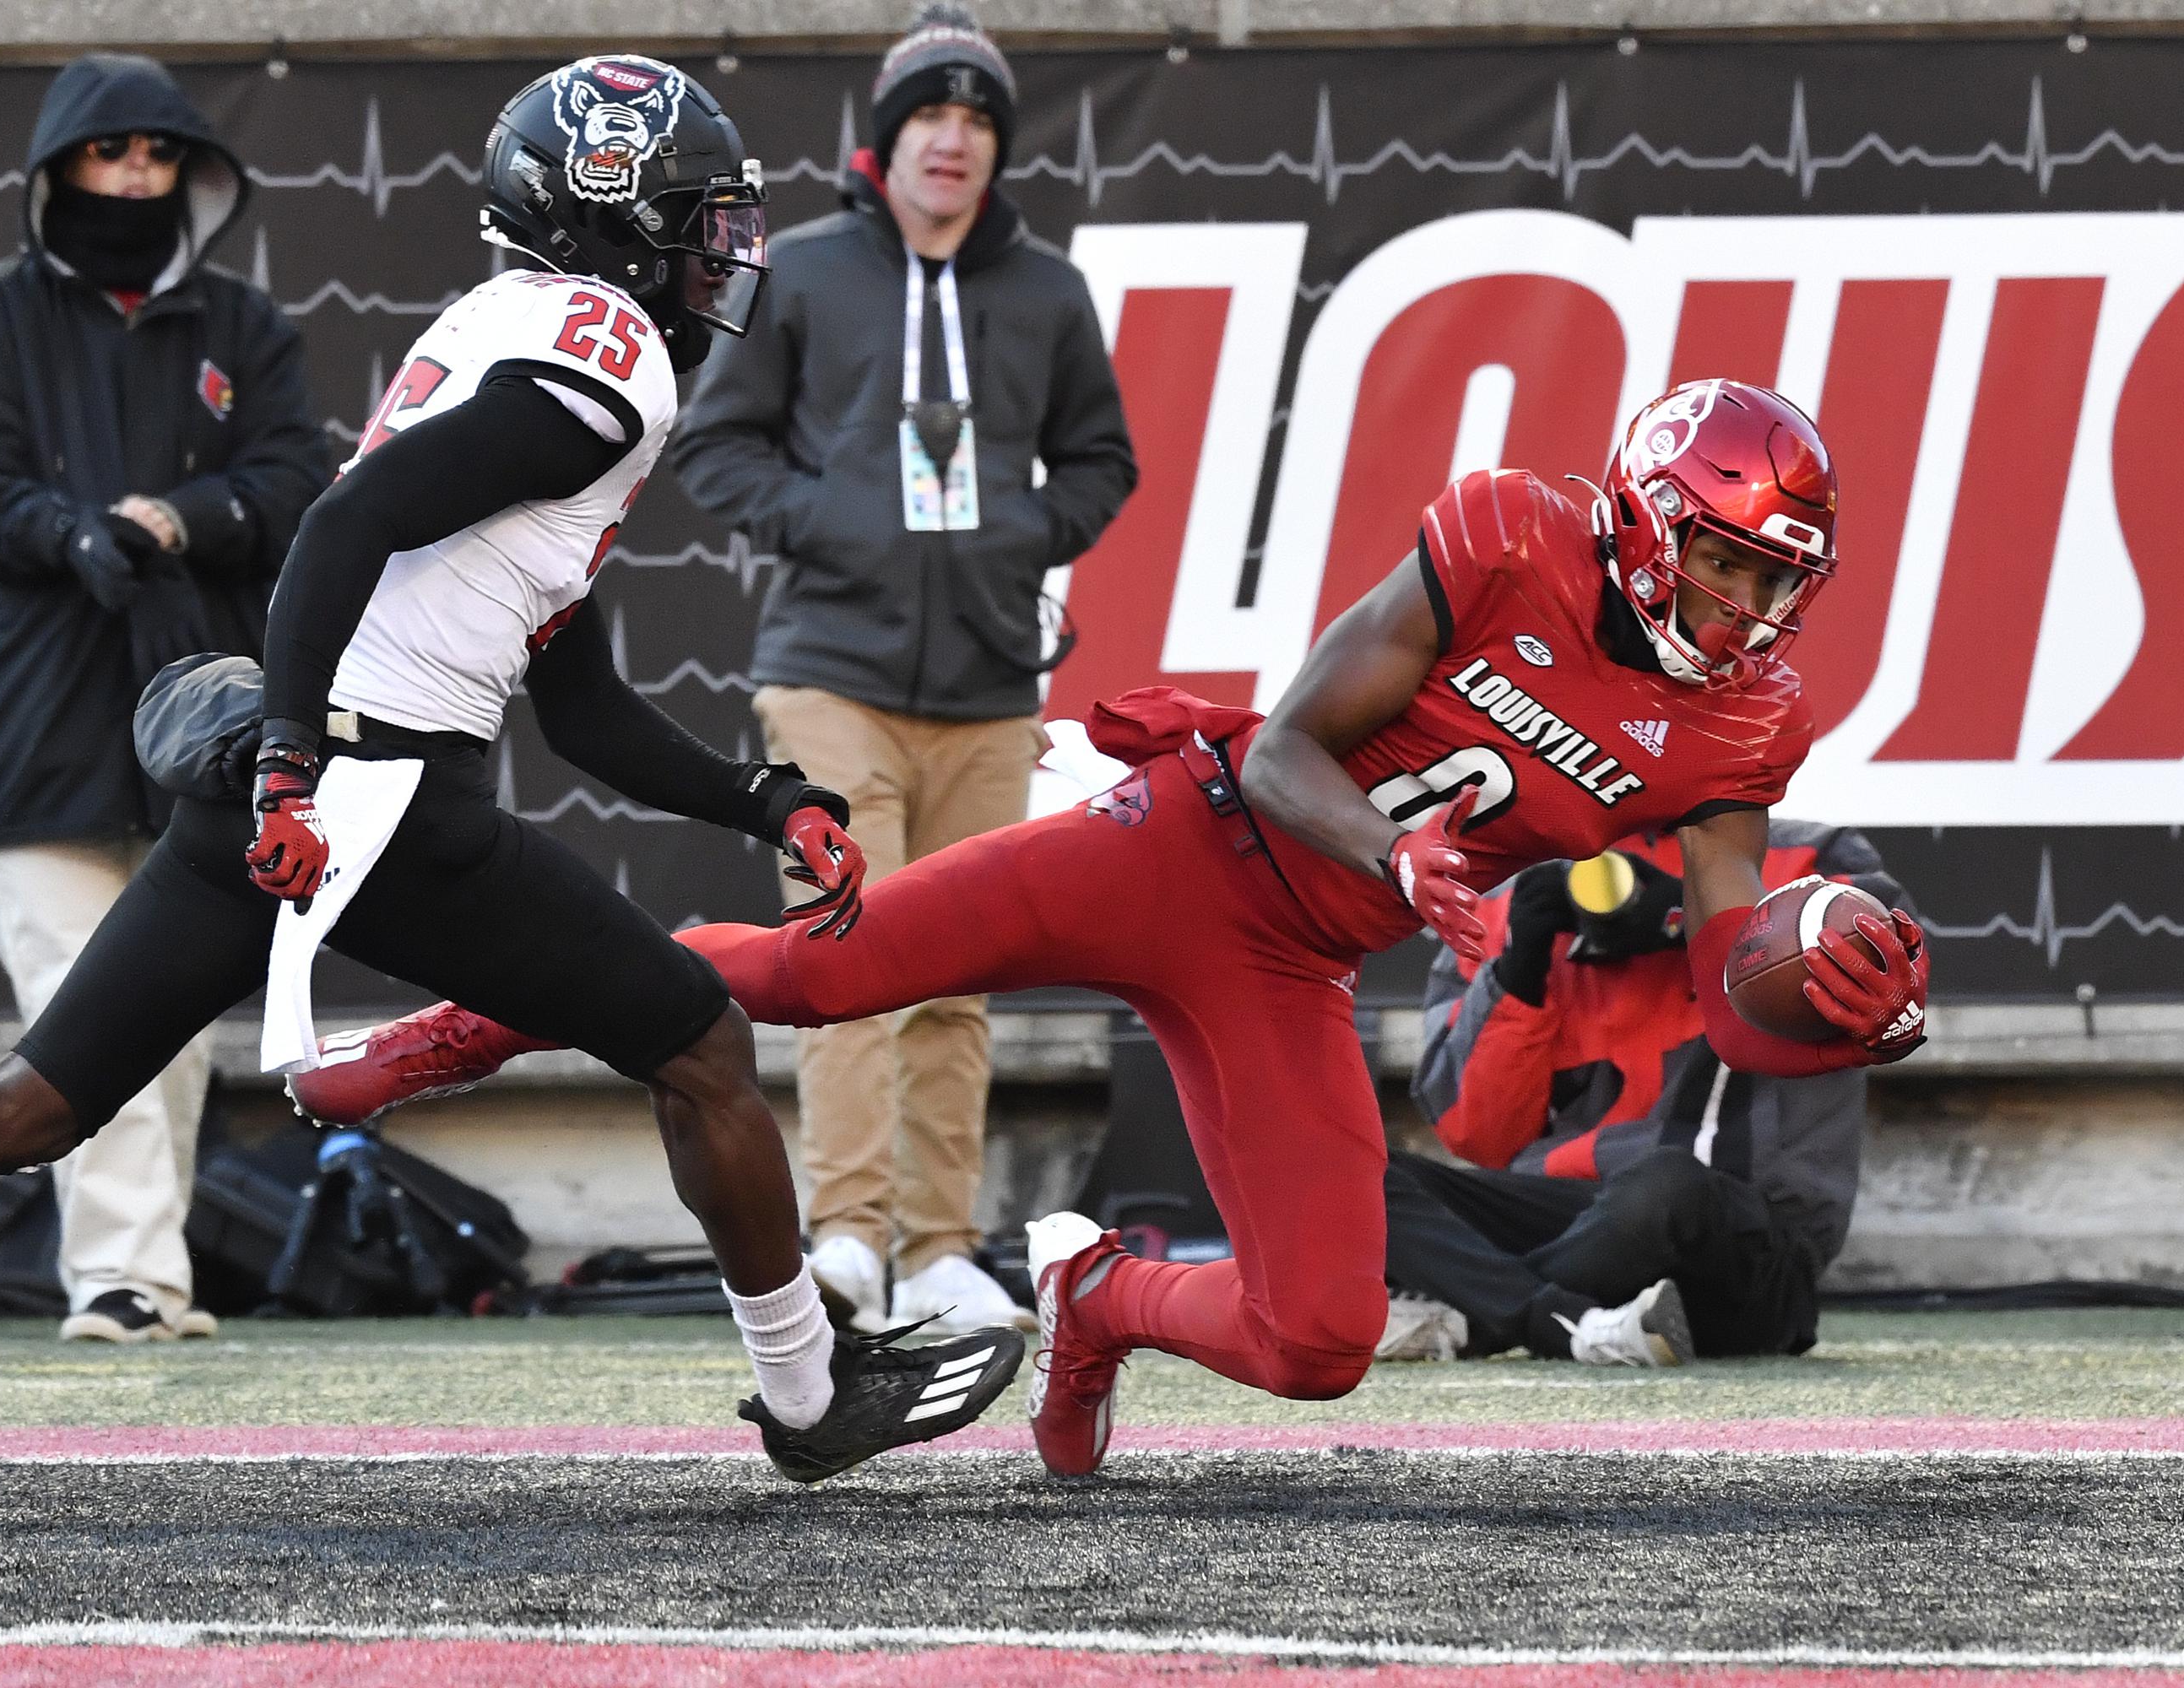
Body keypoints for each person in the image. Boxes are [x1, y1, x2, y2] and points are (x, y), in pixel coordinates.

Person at [0, 55, 1025, 1486]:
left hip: (281, 778)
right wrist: (302, 768)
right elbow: (345, 524)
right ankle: (810, 1396)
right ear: (606, 216)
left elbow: (586, 708)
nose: (718, 254)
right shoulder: (608, 361)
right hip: (375, 796)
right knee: (699, 1046)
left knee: (32, 1107)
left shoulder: (516, 327)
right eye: (694, 219)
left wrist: (762, 799)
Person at [275, 378, 1932, 1478]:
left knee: (1323, 1342)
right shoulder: (1507, 532)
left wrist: (1841, 1003)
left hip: (1290, 962)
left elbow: (1732, 974)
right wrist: (1404, 859)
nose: (1752, 612)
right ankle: (470, 1018)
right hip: (1183, 842)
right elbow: (1288, 744)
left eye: (1783, 583)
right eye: (1727, 566)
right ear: (1647, 515)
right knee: (808, 972)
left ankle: (1103, 1303)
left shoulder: (1745, 727)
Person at [670, 3, 1136, 1336]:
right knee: (843, 955)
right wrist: (841, 521)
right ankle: (846, 1240)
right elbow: (718, 448)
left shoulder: (1046, 289)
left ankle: (940, 1245)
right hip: (830, 672)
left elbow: (1103, 460)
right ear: (887, 139)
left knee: (956, 976)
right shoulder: (805, 271)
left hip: (990, 687)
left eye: (978, 119)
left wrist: (1019, 536)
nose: (954, 139)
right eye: (930, 115)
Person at [0, 52, 331, 1343]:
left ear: (191, 175)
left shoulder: (244, 327)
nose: (135, 177)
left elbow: (302, 485)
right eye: (110, 154)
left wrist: (184, 521)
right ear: (58, 173)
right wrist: (70, 533)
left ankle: (141, 1276)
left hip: (198, 737)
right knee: (83, 1007)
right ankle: (124, 1281)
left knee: (172, 1029)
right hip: (26, 745)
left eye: (157, 156)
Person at [1381, 825, 1908, 1369]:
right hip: (1567, 1215)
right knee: (1355, 1174)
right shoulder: (1505, 897)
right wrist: (1519, 971)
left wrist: (1701, 921)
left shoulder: (1812, 857)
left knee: (1665, 1184)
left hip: (1738, 1243)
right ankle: (1563, 1321)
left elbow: (1893, 983)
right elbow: (1479, 1137)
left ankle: (1476, 1316)